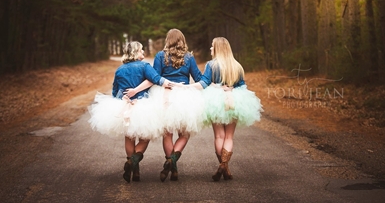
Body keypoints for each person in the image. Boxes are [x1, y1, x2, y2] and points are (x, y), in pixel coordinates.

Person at [88, 41, 172, 183]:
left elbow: (115, 91)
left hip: (125, 105)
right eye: (141, 50)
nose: (143, 53)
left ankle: (135, 171)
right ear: (135, 52)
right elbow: (156, 79)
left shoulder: (120, 70)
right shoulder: (145, 66)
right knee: (145, 138)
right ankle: (132, 162)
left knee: (129, 137)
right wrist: (167, 83)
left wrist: (123, 97)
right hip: (143, 105)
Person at [188, 37, 263, 181]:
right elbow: (242, 86)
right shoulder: (237, 66)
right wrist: (231, 89)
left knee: (219, 136)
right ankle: (225, 167)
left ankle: (223, 164)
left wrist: (187, 87)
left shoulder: (211, 65)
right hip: (235, 99)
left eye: (212, 46)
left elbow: (204, 83)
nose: (210, 49)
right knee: (229, 137)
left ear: (218, 48)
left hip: (214, 100)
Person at [148, 28, 204, 182]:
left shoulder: (160, 56)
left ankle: (172, 165)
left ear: (168, 40)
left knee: (167, 134)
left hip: (164, 95)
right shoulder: (189, 57)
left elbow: (155, 76)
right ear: (182, 40)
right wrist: (212, 77)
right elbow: (198, 77)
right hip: (184, 95)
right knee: (184, 133)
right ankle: (172, 161)